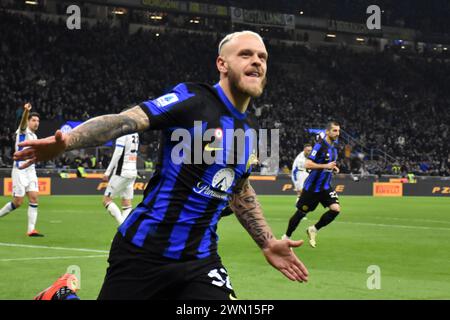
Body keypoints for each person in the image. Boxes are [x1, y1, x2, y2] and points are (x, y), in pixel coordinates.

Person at [15, 31, 308, 300]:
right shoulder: (193, 98)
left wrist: (267, 242)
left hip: (200, 260)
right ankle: (59, 296)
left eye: (262, 57)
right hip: (143, 253)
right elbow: (126, 120)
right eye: (246, 54)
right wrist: (68, 140)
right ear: (222, 63)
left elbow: (239, 188)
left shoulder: (251, 130)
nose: (256, 61)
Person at [283, 122, 341, 248]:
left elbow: (328, 164)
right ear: (327, 132)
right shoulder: (319, 146)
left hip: (325, 187)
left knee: (335, 209)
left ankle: (313, 229)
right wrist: (326, 166)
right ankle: (286, 237)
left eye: (338, 131)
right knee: (300, 214)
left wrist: (334, 168)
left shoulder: (334, 149)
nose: (337, 133)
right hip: (312, 189)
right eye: (334, 131)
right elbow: (308, 164)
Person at [0, 103, 43, 237]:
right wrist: (26, 111)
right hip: (20, 169)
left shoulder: (35, 137)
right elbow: (23, 123)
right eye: (34, 120)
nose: (36, 123)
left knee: (34, 198)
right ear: (28, 121)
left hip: (31, 170)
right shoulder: (23, 131)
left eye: (38, 121)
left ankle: (31, 230)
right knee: (18, 202)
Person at [102, 132, 139, 225]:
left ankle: (123, 230)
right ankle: (125, 234)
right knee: (126, 203)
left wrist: (107, 172)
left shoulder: (123, 134)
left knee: (107, 200)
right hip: (132, 171)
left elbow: (117, 153)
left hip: (122, 172)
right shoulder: (135, 133)